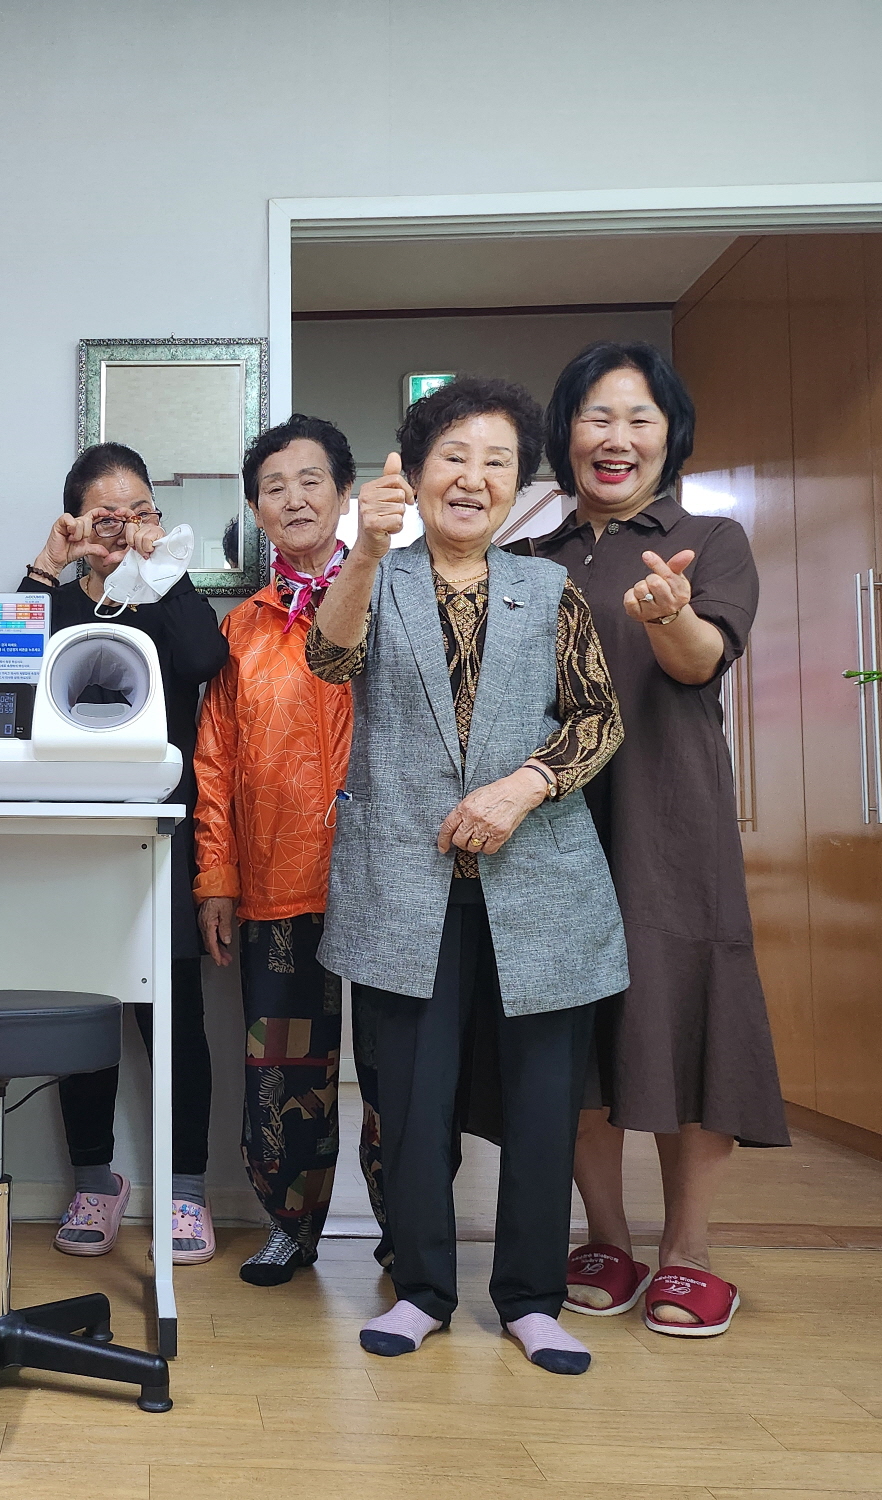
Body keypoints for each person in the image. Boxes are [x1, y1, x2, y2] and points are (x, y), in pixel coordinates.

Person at [308, 376, 626, 1376]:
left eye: (497, 462)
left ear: (517, 486)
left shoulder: (550, 590)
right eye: (453, 456)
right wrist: (365, 548)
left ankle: (530, 1300)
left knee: (541, 1101)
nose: (473, 478)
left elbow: (597, 718)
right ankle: (423, 1291)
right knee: (410, 1101)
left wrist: (521, 787)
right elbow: (328, 661)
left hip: (540, 880)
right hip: (403, 882)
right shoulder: (375, 577)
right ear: (413, 471)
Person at [526, 341, 789, 1338]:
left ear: (670, 436)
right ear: (564, 433)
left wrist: (668, 615)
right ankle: (605, 1237)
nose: (617, 436)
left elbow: (699, 660)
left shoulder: (709, 540)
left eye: (639, 418)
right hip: (556, 819)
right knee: (573, 1030)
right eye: (596, 415)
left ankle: (689, 1251)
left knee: (684, 1016)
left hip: (670, 817)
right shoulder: (529, 559)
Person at [21, 443, 229, 1262]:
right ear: (76, 520)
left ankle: (187, 1192)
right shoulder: (57, 600)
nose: (124, 525)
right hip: (70, 838)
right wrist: (50, 563)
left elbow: (206, 659)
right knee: (85, 1016)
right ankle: (94, 1181)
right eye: (105, 514)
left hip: (161, 836)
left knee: (173, 1018)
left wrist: (159, 567)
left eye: (140, 510)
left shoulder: (167, 597)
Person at [194, 414, 378, 1286]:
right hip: (276, 879)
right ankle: (289, 1225)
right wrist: (216, 876)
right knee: (283, 1068)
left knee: (396, 1065)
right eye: (275, 487)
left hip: (387, 877)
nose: (294, 498)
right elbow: (215, 762)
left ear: (343, 494)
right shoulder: (241, 631)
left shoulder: (393, 602)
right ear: (256, 510)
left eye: (311, 481)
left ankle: (408, 1230)